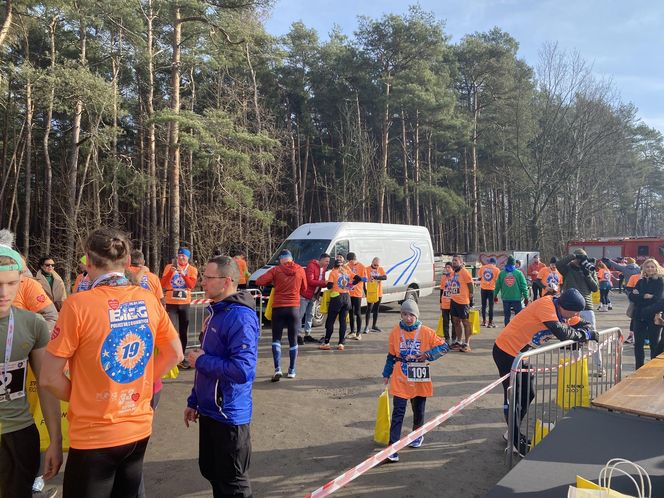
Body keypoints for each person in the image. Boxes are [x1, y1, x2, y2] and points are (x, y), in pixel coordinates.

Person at [40, 228, 183, 498]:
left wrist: (83, 395)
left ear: (88, 263)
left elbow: (48, 377)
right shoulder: (148, 299)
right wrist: (139, 383)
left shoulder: (77, 305)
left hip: (95, 433)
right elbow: (175, 354)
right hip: (138, 427)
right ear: (128, 263)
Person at [184, 255, 259, 498]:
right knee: (213, 474)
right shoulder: (216, 312)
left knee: (233, 485)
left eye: (207, 277)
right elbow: (206, 363)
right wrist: (194, 400)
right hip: (209, 412)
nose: (201, 282)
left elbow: (243, 370)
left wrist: (202, 360)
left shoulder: (240, 317)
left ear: (226, 281)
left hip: (229, 417)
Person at [492, 288, 598, 457]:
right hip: (506, 352)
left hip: (522, 355)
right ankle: (513, 439)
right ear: (563, 306)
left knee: (529, 394)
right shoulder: (546, 305)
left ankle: (512, 431)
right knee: (513, 396)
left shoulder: (564, 310)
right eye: (572, 312)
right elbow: (563, 333)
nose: (574, 315)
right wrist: (586, 335)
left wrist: (586, 330)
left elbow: (583, 324)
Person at [0, 230, 63, 498]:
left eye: (12, 284)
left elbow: (47, 384)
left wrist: (56, 442)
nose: (4, 293)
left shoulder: (32, 324)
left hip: (18, 435)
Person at [381, 299, 449, 463]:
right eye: (404, 314)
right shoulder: (395, 332)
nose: (408, 318)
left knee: (418, 410)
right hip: (400, 376)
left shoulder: (426, 332)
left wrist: (427, 355)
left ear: (416, 315)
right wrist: (386, 372)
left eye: (411, 314)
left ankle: (417, 434)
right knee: (398, 412)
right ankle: (393, 446)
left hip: (419, 376)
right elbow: (391, 356)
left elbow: (445, 346)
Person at [256, 250, 306, 381]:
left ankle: (277, 369)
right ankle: (292, 370)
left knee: (276, 339)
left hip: (278, 307)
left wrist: (274, 282)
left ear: (281, 260)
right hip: (294, 308)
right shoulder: (300, 270)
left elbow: (259, 281)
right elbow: (305, 288)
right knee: (293, 339)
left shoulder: (276, 270)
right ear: (291, 259)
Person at [556, 249, 601, 374]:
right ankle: (578, 367)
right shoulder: (567, 269)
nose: (579, 261)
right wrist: (574, 256)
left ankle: (599, 367)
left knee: (592, 338)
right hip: (570, 308)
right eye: (577, 258)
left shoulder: (588, 269)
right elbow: (559, 264)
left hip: (587, 307)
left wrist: (587, 274)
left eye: (582, 258)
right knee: (574, 339)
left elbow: (595, 288)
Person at [161, 247, 198, 369]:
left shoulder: (192, 269)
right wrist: (172, 272)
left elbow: (191, 285)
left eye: (183, 256)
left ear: (188, 258)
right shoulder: (168, 267)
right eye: (179, 255)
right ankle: (171, 356)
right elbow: (163, 284)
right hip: (171, 303)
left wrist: (183, 274)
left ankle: (181, 357)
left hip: (184, 303)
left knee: (183, 331)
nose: (181, 258)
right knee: (172, 331)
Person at [628, 258, 664, 369]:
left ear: (656, 268)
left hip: (654, 316)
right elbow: (631, 296)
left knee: (654, 344)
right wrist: (644, 296)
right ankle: (639, 367)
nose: (650, 269)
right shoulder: (640, 281)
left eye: (652, 266)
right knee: (638, 344)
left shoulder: (660, 282)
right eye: (647, 267)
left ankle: (653, 367)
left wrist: (639, 295)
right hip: (638, 316)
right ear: (644, 268)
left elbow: (657, 299)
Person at [320, 255, 360, 351]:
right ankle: (341, 343)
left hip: (336, 297)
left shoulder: (333, 272)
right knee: (343, 321)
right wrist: (350, 285)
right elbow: (358, 278)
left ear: (334, 265)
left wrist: (327, 283)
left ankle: (326, 343)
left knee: (331, 320)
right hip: (347, 297)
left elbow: (329, 286)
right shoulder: (347, 271)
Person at [298, 253, 330, 344]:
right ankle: (298, 335)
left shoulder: (323, 268)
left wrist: (325, 284)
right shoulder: (311, 266)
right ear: (321, 260)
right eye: (326, 261)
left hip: (313, 295)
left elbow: (321, 280)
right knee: (301, 315)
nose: (328, 263)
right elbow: (310, 281)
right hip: (305, 295)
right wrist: (324, 283)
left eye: (328, 262)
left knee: (311, 315)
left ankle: (307, 334)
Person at [448, 254, 474, 352]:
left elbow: (470, 285)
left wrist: (471, 299)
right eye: (453, 260)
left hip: (463, 302)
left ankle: (466, 343)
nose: (454, 262)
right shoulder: (453, 273)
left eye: (456, 260)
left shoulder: (465, 272)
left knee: (465, 322)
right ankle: (459, 341)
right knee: (455, 322)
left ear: (461, 262)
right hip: (454, 300)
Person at [494, 256, 529, 326]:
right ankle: (517, 331)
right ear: (514, 264)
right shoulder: (519, 273)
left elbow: (497, 286)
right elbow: (524, 286)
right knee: (518, 317)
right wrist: (526, 297)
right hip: (516, 298)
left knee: (507, 316)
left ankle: (507, 332)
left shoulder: (502, 273)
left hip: (506, 298)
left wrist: (495, 296)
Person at [346, 253, 368, 341]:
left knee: (358, 313)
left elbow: (365, 279)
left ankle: (359, 333)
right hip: (348, 292)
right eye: (349, 261)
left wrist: (356, 281)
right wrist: (348, 285)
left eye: (351, 261)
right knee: (350, 313)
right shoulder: (347, 266)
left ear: (354, 259)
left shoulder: (362, 266)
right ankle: (352, 331)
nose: (349, 263)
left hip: (357, 293)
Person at [364, 257, 387, 333]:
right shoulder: (367, 269)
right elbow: (364, 280)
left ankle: (374, 325)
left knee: (376, 309)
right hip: (370, 292)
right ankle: (366, 326)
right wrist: (365, 292)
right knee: (369, 308)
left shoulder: (380, 269)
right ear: (372, 262)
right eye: (375, 265)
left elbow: (385, 277)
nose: (376, 266)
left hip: (378, 292)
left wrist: (376, 277)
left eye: (377, 265)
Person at [479, 257, 500, 327]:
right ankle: (490, 323)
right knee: (491, 306)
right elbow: (497, 281)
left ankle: (484, 321)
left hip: (483, 288)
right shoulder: (497, 270)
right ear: (495, 263)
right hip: (492, 289)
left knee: (483, 305)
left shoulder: (482, 268)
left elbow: (480, 277)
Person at [438, 262, 454, 342]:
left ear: (452, 268)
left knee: (454, 321)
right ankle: (447, 337)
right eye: (446, 267)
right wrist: (440, 302)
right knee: (445, 321)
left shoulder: (455, 276)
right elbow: (441, 290)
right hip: (445, 302)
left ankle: (454, 338)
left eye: (449, 267)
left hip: (453, 302)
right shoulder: (444, 277)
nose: (447, 269)